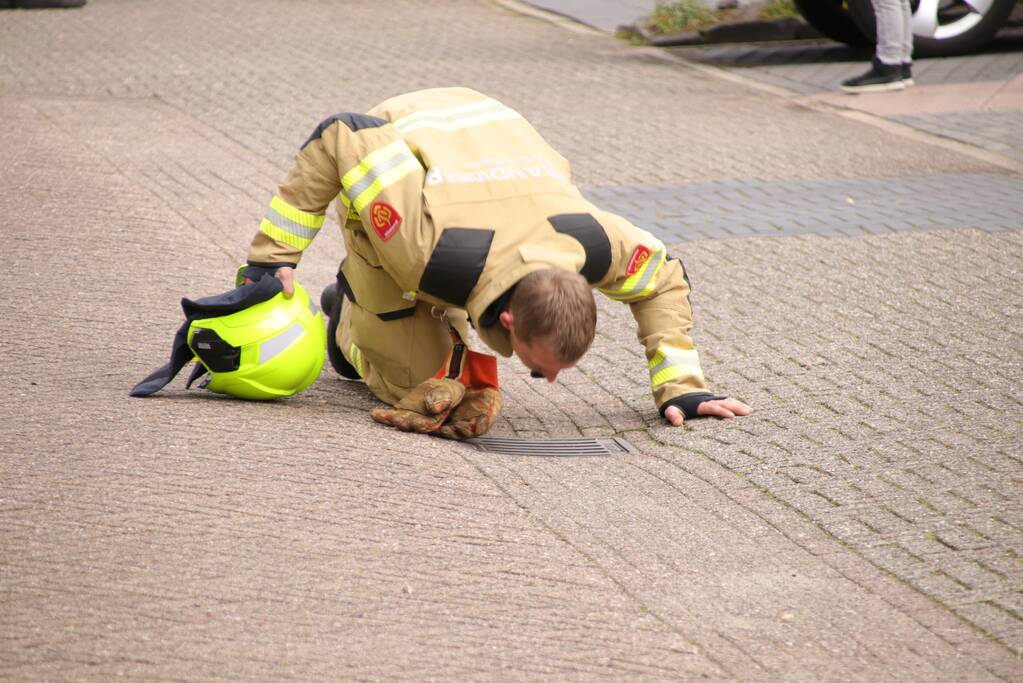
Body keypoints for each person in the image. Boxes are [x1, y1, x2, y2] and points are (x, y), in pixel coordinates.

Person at [242, 87, 751, 438]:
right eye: (541, 367)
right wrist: (271, 260)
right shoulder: (426, 251)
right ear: (509, 320)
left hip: (487, 141)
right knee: (412, 382)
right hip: (403, 143)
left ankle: (396, 314)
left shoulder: (596, 244)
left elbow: (662, 281)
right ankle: (351, 309)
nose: (549, 381)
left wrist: (682, 390)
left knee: (454, 378)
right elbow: (342, 133)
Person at [841, 0, 914, 93]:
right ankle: (902, 64)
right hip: (901, 63)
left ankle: (889, 64)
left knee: (885, 2)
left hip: (890, 64)